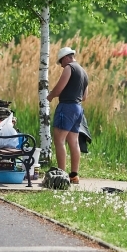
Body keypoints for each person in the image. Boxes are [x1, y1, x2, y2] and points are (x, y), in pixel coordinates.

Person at [47, 47, 89, 184]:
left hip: (67, 107)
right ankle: (74, 176)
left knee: (59, 140)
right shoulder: (84, 72)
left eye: (61, 62)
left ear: (66, 58)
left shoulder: (69, 68)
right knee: (74, 141)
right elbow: (84, 97)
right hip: (78, 109)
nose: (61, 65)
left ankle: (61, 175)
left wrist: (51, 95)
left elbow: (59, 88)